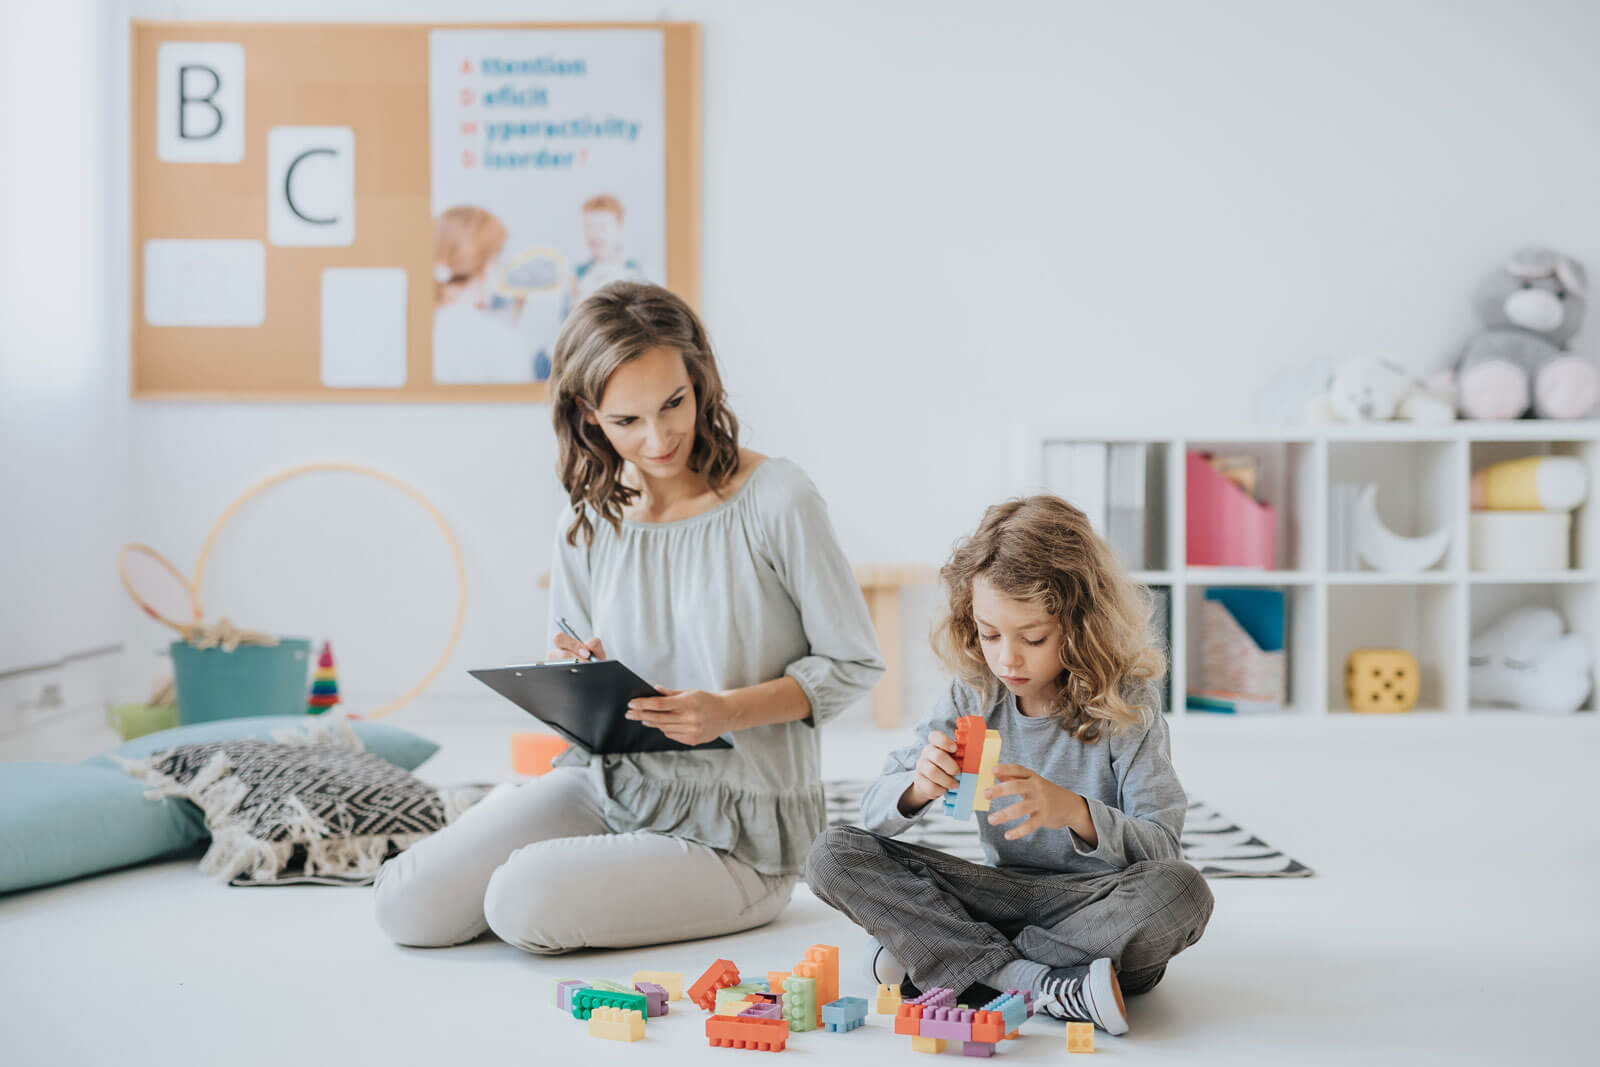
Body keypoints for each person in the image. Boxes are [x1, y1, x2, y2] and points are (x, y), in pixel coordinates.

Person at [376, 281, 884, 954]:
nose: (659, 437)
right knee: (406, 904)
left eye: (674, 403)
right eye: (626, 421)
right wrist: (579, 677)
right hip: (609, 786)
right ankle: (581, 866)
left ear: (699, 379)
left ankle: (587, 878)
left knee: (520, 898)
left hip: (739, 830)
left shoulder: (777, 499)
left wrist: (726, 711)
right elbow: (567, 662)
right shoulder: (588, 518)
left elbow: (852, 663)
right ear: (589, 416)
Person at [805, 496, 1213, 1035]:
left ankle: (950, 961)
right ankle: (1038, 983)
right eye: (990, 633)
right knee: (832, 853)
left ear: (1081, 625)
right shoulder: (973, 694)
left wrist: (1074, 811)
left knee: (1181, 892)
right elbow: (873, 815)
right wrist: (917, 787)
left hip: (1096, 907)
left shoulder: (1127, 704)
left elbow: (1162, 849)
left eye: (1033, 637)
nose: (1007, 659)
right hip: (998, 895)